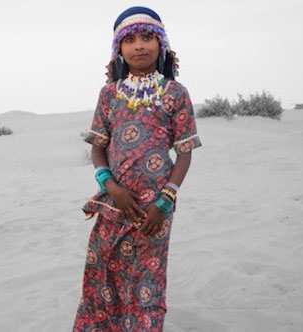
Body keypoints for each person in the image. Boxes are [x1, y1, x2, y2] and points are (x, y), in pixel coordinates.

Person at [73, 7, 201, 331]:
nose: (139, 46)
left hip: (155, 210)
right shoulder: (109, 94)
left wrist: (165, 201)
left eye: (147, 38)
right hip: (114, 204)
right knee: (104, 271)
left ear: (161, 45)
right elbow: (98, 147)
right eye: (129, 40)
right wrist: (110, 186)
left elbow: (184, 154)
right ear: (119, 49)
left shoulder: (175, 93)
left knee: (148, 280)